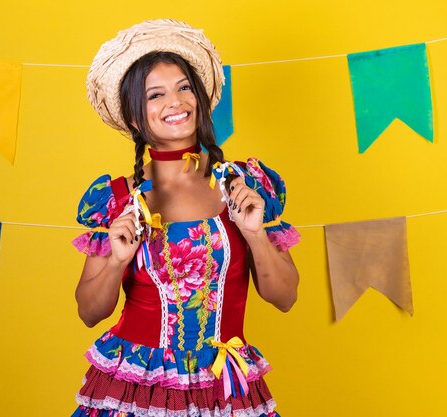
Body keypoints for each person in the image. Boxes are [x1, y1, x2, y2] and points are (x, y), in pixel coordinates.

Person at [71, 19, 301, 417]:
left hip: (225, 391)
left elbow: (285, 297)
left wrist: (255, 234)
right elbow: (90, 311)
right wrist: (117, 260)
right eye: (155, 95)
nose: (175, 103)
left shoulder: (245, 187)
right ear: (133, 118)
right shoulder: (118, 200)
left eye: (183, 87)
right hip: (137, 390)